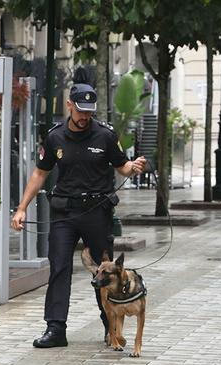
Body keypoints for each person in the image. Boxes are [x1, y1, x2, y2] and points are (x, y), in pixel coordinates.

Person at [11, 83, 146, 348]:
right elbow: (40, 173)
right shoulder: (55, 137)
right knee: (59, 267)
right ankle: (55, 328)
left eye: (89, 112)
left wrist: (134, 167)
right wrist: (22, 208)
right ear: (69, 105)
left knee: (104, 271)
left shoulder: (105, 135)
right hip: (65, 212)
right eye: (81, 110)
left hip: (97, 212)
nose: (85, 117)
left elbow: (123, 167)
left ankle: (111, 327)